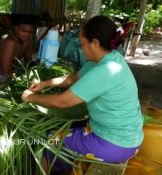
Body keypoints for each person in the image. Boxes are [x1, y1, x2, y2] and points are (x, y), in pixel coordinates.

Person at [22, 15, 144, 174]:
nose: (81, 49)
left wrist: (30, 98)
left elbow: (61, 102)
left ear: (95, 43)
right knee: (62, 127)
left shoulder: (104, 71)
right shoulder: (110, 58)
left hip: (116, 145)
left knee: (50, 138)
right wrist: (44, 84)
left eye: (83, 44)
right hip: (125, 136)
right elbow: (73, 78)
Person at [0, 15, 37, 88]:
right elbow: (6, 69)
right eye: (24, 31)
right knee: (24, 87)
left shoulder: (27, 41)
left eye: (29, 32)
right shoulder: (10, 42)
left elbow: (28, 62)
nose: (26, 34)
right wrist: (20, 80)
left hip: (11, 73)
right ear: (16, 29)